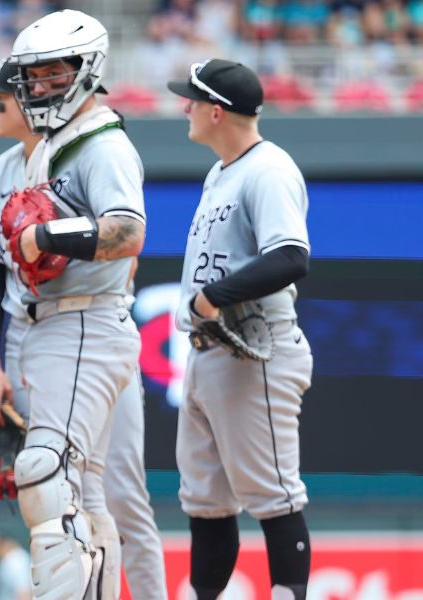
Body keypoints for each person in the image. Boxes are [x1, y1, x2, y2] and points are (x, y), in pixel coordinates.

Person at [0, 56, 169, 600]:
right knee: (73, 490)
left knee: (110, 493)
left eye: (2, 96)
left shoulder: (94, 149)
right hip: (30, 330)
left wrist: (55, 238)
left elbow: (126, 237)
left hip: (92, 325)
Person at [167, 59, 313, 600]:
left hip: (257, 349)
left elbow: (291, 256)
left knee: (274, 496)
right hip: (210, 352)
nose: (184, 106)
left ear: (216, 110)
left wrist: (212, 296)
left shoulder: (269, 169)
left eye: (191, 98)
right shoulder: (222, 171)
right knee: (206, 501)